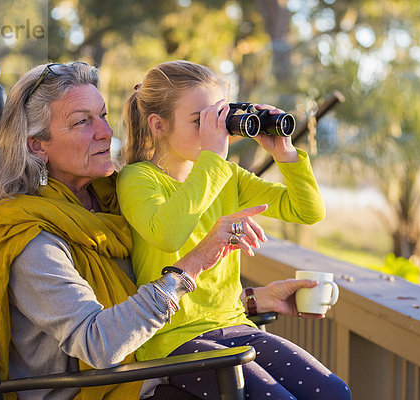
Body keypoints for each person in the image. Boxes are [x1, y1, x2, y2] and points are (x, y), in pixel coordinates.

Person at [0, 61, 326, 400]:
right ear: (37, 145)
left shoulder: (103, 204)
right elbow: (100, 343)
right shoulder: (30, 237)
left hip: (146, 374)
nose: (106, 132)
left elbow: (148, 285)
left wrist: (251, 300)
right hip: (100, 388)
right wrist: (196, 261)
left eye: (103, 116)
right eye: (82, 122)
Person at [117, 60, 351, 400]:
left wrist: (283, 153)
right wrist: (213, 158)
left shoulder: (225, 175)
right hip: (174, 340)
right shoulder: (138, 178)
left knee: (333, 392)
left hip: (235, 324)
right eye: (200, 122)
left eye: (220, 119)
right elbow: (169, 234)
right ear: (158, 125)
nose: (215, 132)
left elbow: (307, 210)